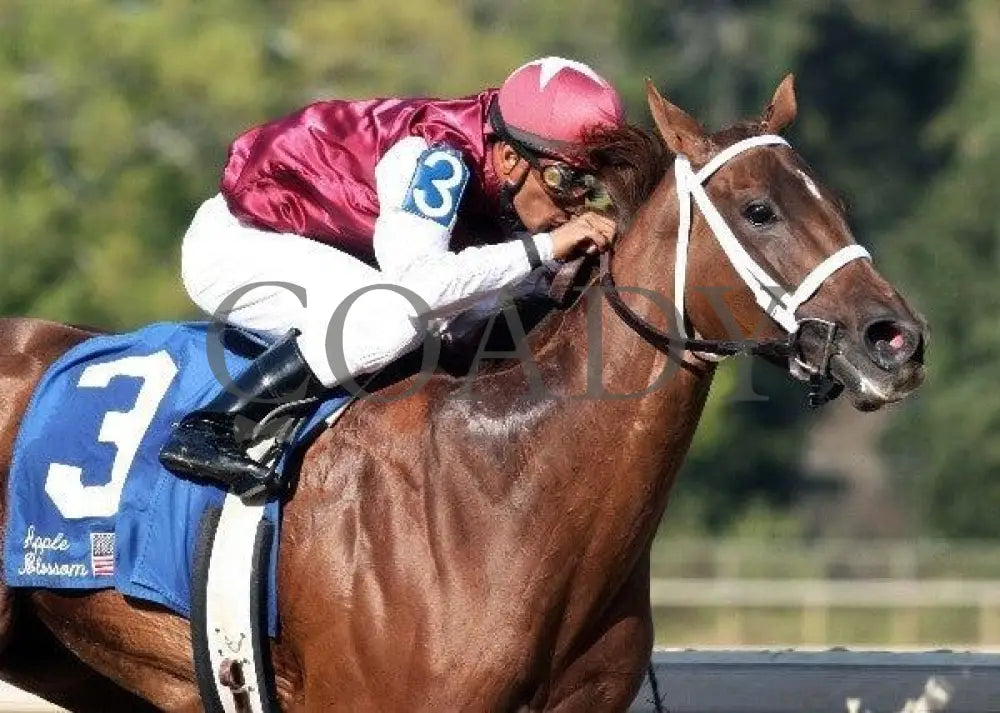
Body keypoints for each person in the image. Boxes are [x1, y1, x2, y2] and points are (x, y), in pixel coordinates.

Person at [159, 56, 624, 496]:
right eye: (566, 181)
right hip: (240, 242)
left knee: (467, 315)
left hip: (320, 245)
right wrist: (544, 249)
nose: (576, 207)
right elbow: (418, 289)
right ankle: (212, 426)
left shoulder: (498, 166)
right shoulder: (438, 159)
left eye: (591, 189)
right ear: (508, 159)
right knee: (397, 318)